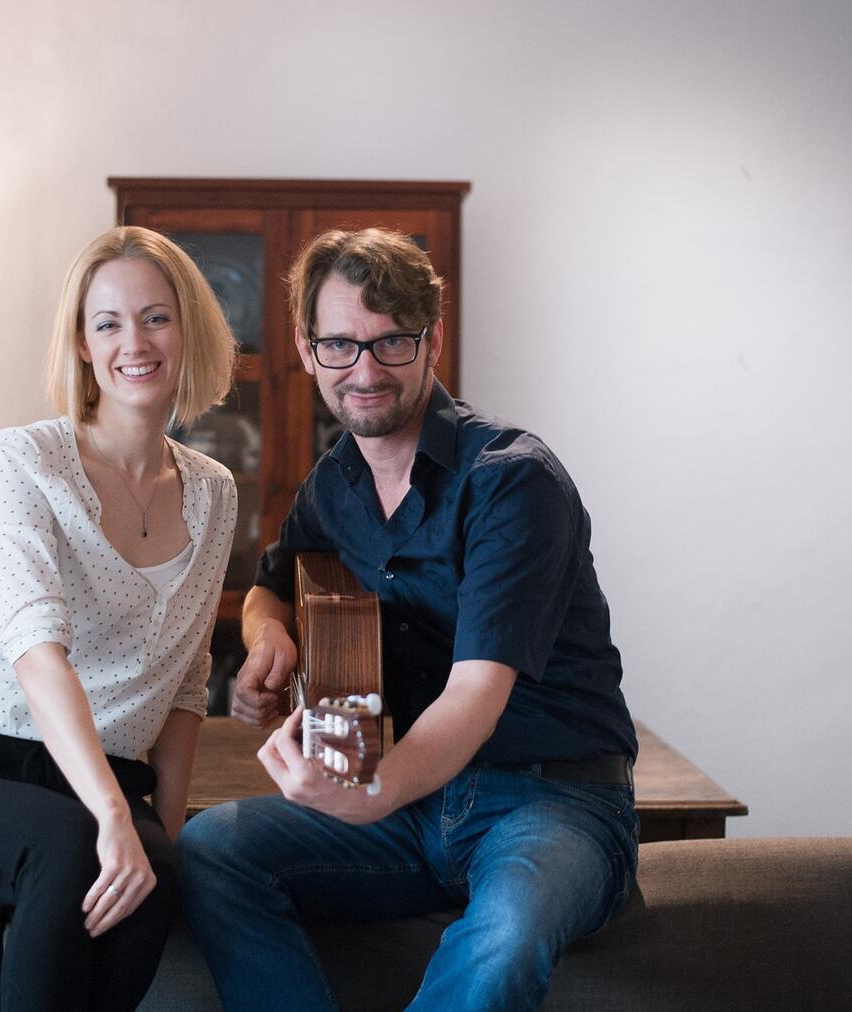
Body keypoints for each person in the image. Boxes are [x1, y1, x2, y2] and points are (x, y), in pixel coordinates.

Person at [179, 228, 639, 1012]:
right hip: (417, 810)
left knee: (504, 939)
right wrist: (271, 643)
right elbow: (267, 589)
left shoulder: (512, 483)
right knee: (210, 850)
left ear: (433, 340)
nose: (364, 370)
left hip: (552, 805)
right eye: (340, 345)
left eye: (391, 342)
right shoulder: (335, 485)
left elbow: (473, 697)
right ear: (304, 347)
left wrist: (375, 789)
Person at [0, 226, 237, 1012]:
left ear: (188, 330)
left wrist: (153, 836)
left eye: (156, 317)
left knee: (159, 877)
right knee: (69, 849)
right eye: (108, 323)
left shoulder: (215, 491)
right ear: (84, 345)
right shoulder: (25, 459)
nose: (135, 341)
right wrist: (110, 820)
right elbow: (35, 651)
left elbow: (190, 680)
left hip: (92, 780)